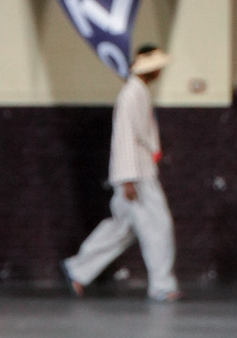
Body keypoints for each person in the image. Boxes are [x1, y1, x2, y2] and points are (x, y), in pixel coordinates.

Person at [62, 45, 177, 303]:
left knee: (121, 229)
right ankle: (161, 284)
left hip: (138, 172)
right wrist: (127, 179)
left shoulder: (138, 92)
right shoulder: (131, 95)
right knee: (158, 227)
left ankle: (78, 269)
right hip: (137, 176)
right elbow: (124, 137)